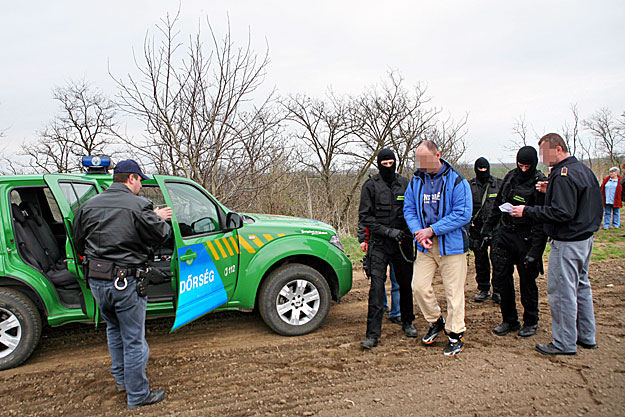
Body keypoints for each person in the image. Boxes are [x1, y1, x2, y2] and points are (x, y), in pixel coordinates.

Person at [73, 160, 173, 409]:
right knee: (133, 339)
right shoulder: (140, 206)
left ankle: (121, 380)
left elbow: (77, 242)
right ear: (131, 178)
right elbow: (161, 235)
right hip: (126, 282)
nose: (141, 185)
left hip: (97, 280)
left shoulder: (88, 205)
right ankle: (138, 395)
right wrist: (157, 216)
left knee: (113, 330)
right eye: (140, 180)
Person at [510, 133, 603, 356]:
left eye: (544, 152)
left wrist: (527, 211)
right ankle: (586, 336)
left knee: (562, 291)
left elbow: (562, 212)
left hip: (568, 241)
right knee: (581, 286)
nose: (542, 158)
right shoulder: (582, 170)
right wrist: (548, 189)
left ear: (558, 148)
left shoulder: (562, 175)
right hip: (585, 239)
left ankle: (564, 342)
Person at [403, 140, 472, 356]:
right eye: (419, 160)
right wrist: (418, 232)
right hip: (426, 246)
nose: (421, 164)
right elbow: (409, 209)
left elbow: (463, 214)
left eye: (425, 159)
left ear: (438, 154)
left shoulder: (457, 180)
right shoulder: (416, 182)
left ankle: (455, 334)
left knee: (454, 293)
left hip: (452, 246)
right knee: (419, 287)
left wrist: (431, 230)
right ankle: (436, 321)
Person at [481, 147, 547, 338]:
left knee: (527, 282)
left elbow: (542, 218)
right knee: (502, 279)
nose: (524, 169)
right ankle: (509, 320)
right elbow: (497, 205)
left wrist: (535, 250)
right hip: (505, 234)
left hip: (527, 237)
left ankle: (531, 321)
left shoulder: (539, 182)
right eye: (521, 165)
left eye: (528, 166)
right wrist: (487, 230)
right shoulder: (510, 177)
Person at [358, 148, 416, 349]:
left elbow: (414, 212)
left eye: (392, 163)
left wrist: (407, 232)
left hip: (403, 244)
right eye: (385, 164)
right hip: (380, 244)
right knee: (376, 287)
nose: (389, 167)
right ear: (379, 164)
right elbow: (365, 217)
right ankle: (372, 334)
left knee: (405, 284)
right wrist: (388, 232)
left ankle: (408, 321)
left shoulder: (406, 184)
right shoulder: (370, 186)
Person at [468, 157, 503, 303]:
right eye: (480, 169)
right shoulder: (469, 186)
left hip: (495, 228)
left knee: (497, 260)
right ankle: (484, 288)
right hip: (477, 229)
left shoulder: (498, 184)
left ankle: (498, 290)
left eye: (485, 169)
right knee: (480, 260)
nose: (482, 171)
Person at [358, 223, 401, 324]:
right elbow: (364, 220)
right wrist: (363, 239)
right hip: (376, 244)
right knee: (377, 281)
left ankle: (396, 313)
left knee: (398, 281)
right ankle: (380, 308)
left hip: (397, 245)